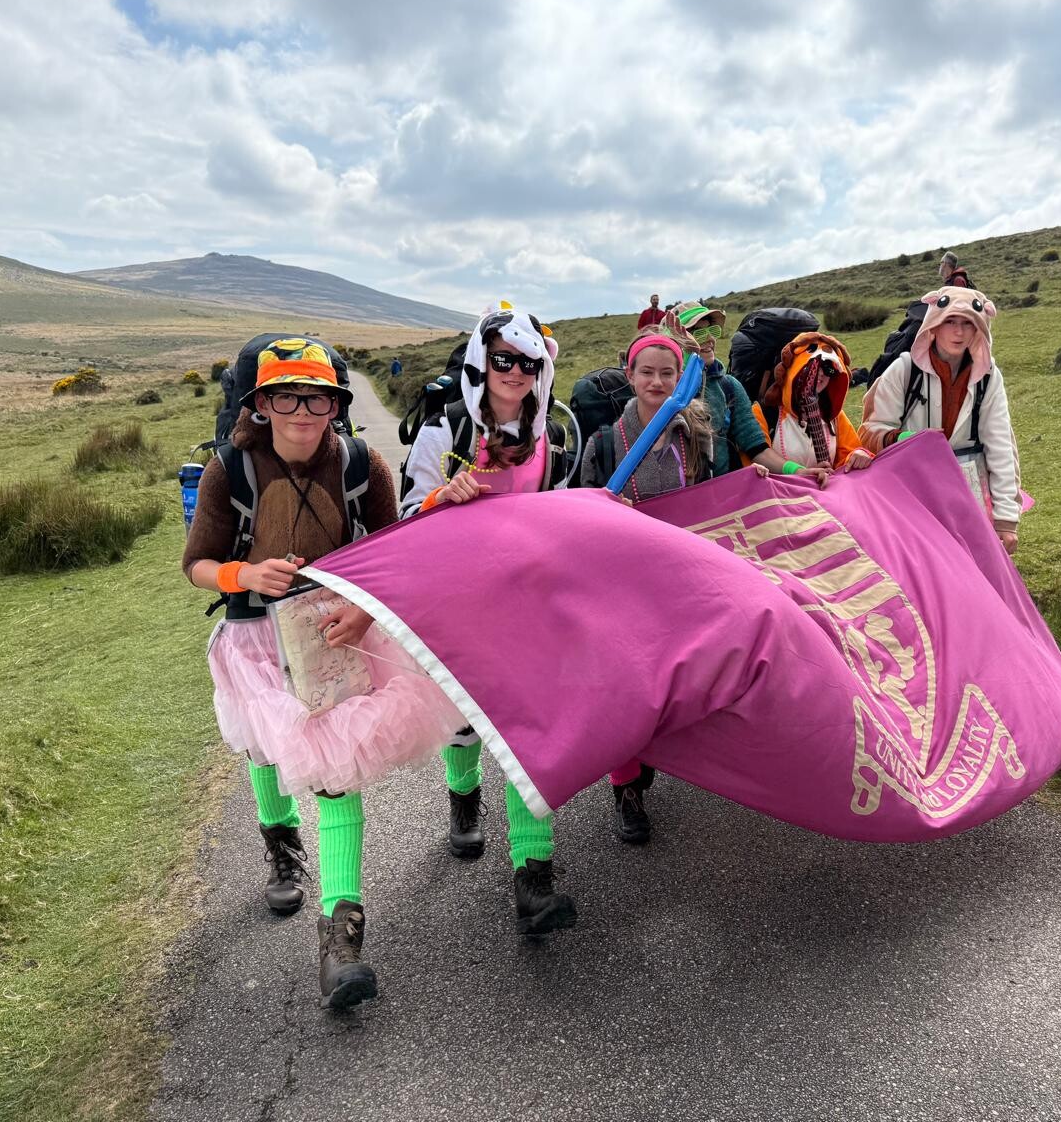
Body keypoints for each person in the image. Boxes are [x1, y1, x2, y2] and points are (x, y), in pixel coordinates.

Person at [183, 336, 418, 1011]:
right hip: (254, 635)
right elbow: (196, 565)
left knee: (336, 776)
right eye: (287, 398)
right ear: (260, 404)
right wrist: (244, 574)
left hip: (333, 632)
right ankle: (281, 845)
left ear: (336, 405)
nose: (303, 413)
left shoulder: (362, 466)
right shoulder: (230, 471)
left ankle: (341, 941)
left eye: (318, 399)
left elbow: (391, 553)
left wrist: (365, 614)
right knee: (264, 748)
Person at [398, 304, 578, 936]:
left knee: (527, 733)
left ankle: (533, 876)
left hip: (525, 599)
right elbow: (403, 515)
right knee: (463, 718)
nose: (516, 372)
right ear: (482, 359)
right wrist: (440, 496)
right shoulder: (443, 428)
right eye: (504, 359)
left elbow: (558, 512)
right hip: (456, 597)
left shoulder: (551, 433)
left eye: (529, 363)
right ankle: (462, 797)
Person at [578, 327, 722, 842]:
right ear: (630, 375)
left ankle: (652, 757)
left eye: (667, 373)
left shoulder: (695, 437)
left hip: (676, 583)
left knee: (669, 683)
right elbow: (579, 510)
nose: (657, 382)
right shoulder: (603, 443)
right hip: (619, 587)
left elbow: (710, 500)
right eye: (647, 372)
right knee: (622, 689)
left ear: (680, 378)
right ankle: (626, 792)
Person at [860, 287, 1022, 554]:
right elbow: (871, 431)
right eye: (950, 321)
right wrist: (908, 440)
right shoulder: (904, 370)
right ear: (934, 325)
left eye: (967, 323)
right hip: (912, 491)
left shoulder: (989, 377)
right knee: (923, 564)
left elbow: (1000, 445)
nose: (958, 332)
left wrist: (1006, 519)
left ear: (979, 329)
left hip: (968, 493)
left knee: (972, 564)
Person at [675, 302, 819, 480]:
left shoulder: (729, 387)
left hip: (719, 493)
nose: (710, 339)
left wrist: (797, 471)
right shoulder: (663, 389)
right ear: (675, 341)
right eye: (698, 332)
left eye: (712, 331)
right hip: (671, 495)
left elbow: (756, 447)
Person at [749, 332, 875, 476]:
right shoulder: (764, 414)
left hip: (824, 490)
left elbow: (848, 455)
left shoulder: (833, 415)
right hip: (779, 490)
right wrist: (799, 473)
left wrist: (858, 454)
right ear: (795, 368)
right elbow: (754, 464)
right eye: (813, 365)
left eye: (829, 368)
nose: (821, 373)